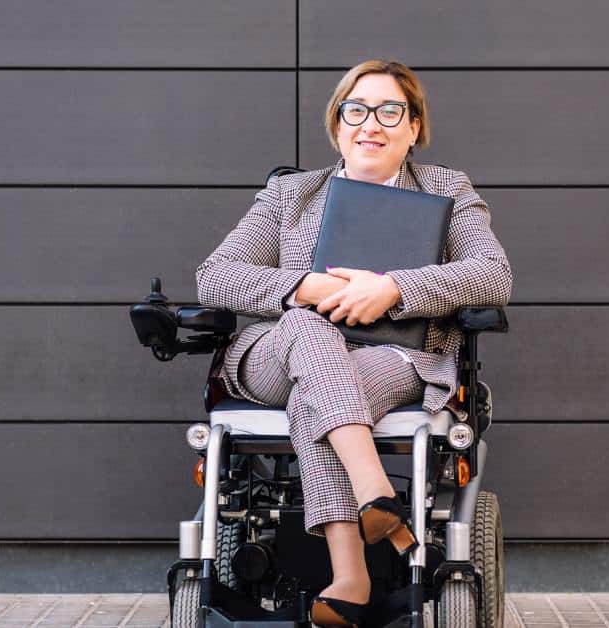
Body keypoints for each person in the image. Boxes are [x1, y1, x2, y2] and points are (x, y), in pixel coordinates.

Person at [196, 59, 511, 627]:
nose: (373, 123)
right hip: (276, 351)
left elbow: (492, 274)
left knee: (320, 392)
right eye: (357, 109)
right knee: (310, 327)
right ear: (337, 125)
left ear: (414, 126)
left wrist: (393, 288)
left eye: (391, 110)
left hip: (395, 358)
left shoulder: (446, 189)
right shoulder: (293, 194)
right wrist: (302, 286)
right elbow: (217, 276)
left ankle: (351, 577)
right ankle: (373, 492)